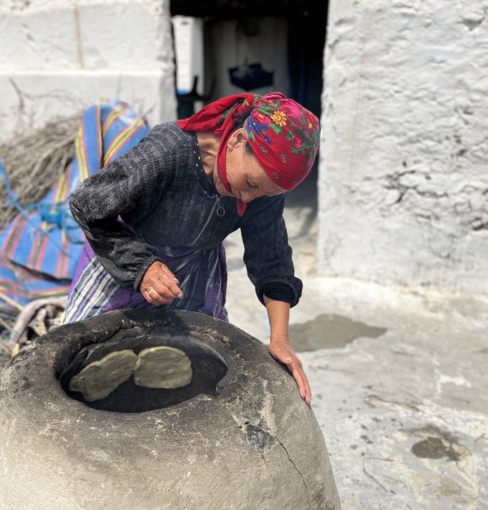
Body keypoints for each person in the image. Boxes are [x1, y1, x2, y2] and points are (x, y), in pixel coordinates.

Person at [63, 92, 319, 404]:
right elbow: (86, 203)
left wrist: (280, 339)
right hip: (122, 254)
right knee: (86, 365)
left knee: (192, 371)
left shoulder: (263, 189)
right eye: (251, 183)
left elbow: (272, 260)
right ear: (238, 140)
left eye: (264, 192)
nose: (249, 198)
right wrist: (141, 266)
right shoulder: (169, 152)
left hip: (195, 271)